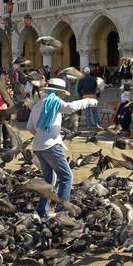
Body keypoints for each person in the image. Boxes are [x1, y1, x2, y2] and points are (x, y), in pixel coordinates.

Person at [27, 78, 98, 217]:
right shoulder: (54, 102)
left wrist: (41, 134)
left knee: (48, 181)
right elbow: (71, 107)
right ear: (58, 92)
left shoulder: (38, 104)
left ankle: (42, 211)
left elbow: (30, 127)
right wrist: (90, 101)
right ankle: (61, 212)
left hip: (38, 146)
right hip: (52, 146)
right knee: (66, 177)